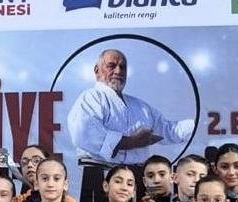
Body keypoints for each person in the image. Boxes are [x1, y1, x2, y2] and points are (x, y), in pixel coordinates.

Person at [67, 48, 196, 166]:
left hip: (136, 174)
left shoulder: (141, 107)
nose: (118, 71)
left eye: (122, 67)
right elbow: (84, 133)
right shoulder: (91, 97)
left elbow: (169, 131)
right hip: (99, 172)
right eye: (111, 66)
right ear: (97, 70)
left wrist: (198, 125)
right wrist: (132, 142)